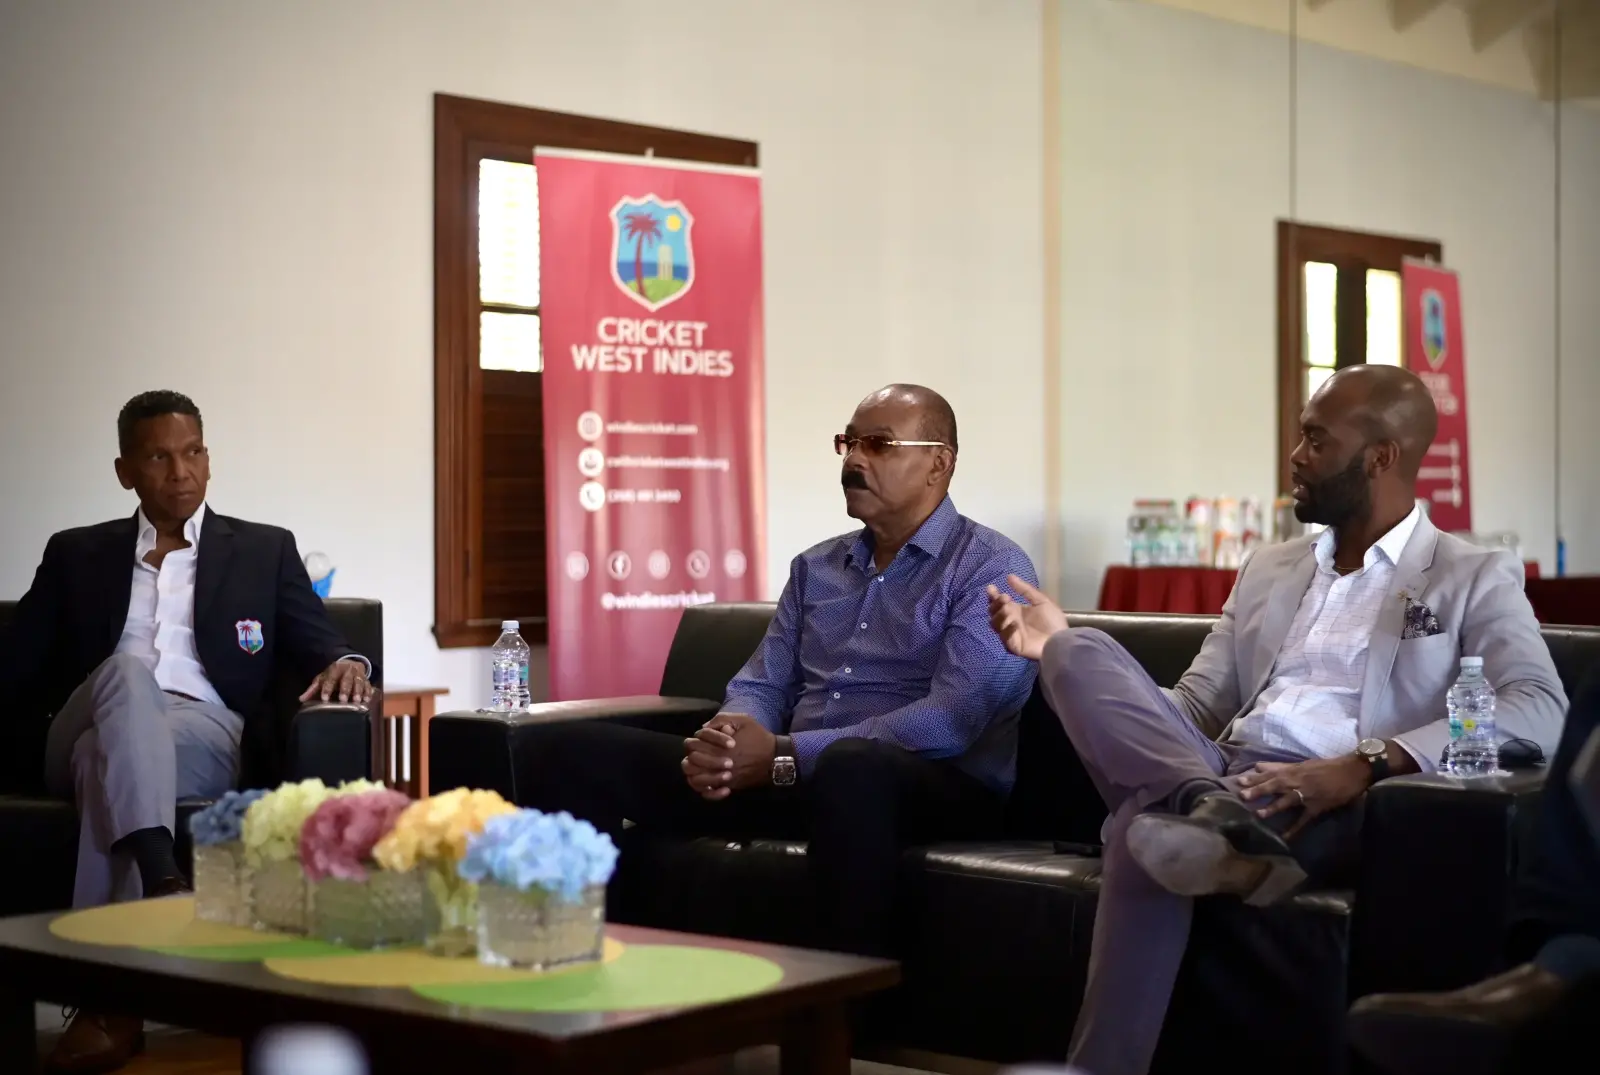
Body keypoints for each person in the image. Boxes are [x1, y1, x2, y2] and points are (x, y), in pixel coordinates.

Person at [986, 364, 1567, 1075]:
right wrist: (1072, 664)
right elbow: (1195, 705)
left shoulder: (1471, 573)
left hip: (1329, 793)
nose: (1295, 456)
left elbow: (1538, 705)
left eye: (1315, 439)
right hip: (1223, 766)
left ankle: (1206, 829)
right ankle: (1211, 811)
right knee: (1076, 650)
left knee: (1144, 831)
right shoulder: (1269, 568)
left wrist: (1366, 763)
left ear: (1380, 456)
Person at [519, 384, 1038, 959]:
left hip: (928, 787)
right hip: (795, 775)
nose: (853, 460)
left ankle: (833, 1017)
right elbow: (762, 682)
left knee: (854, 768)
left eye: (878, 445)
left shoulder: (991, 566)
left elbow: (951, 721)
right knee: (569, 750)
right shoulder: (817, 567)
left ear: (939, 463)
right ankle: (579, 966)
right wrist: (729, 740)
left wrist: (788, 754)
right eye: (848, 443)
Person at [0, 391, 375, 1074]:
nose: (182, 471)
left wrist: (350, 662)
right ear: (125, 471)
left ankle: (107, 999)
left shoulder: (264, 549)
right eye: (159, 456)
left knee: (102, 763)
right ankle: (164, 877)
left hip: (201, 733)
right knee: (123, 676)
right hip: (89, 710)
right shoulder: (76, 553)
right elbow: (14, 664)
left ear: (209, 455)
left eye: (194, 451)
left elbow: (323, 641)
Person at [1346, 667, 1600, 1075]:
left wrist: (1370, 761)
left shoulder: (1465, 598)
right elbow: (1207, 695)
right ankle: (1555, 969)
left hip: (1337, 777)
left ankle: (1561, 970)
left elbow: (1541, 704)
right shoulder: (1260, 601)